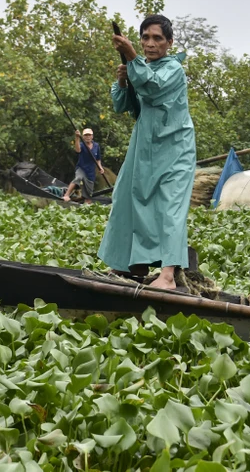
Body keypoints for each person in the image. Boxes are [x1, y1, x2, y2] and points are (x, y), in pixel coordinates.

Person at [97, 14, 197, 291]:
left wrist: (131, 58)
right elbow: (124, 106)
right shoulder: (138, 66)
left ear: (169, 42)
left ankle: (167, 276)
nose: (150, 44)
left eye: (157, 38)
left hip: (175, 147)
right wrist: (123, 83)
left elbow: (153, 88)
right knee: (127, 198)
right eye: (145, 38)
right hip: (144, 148)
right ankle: (131, 265)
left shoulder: (173, 69)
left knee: (170, 207)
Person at [63, 128, 104, 203]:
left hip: (90, 171)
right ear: (83, 137)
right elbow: (77, 150)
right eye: (86, 135)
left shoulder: (96, 146)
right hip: (81, 168)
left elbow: (98, 159)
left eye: (89, 135)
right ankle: (66, 195)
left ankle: (85, 207)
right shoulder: (82, 145)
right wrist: (77, 138)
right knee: (78, 177)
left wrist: (100, 167)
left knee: (88, 196)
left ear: (92, 136)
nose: (88, 137)